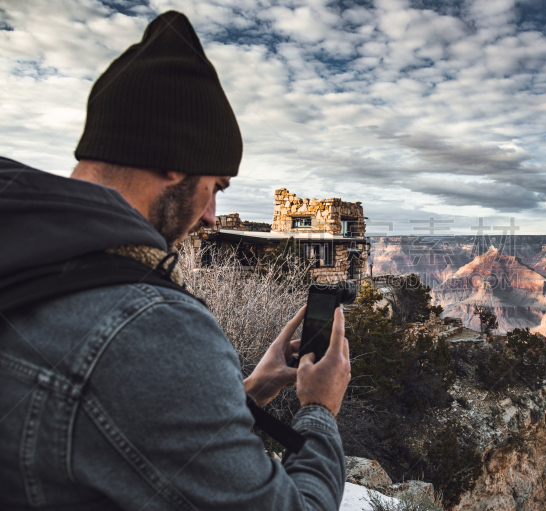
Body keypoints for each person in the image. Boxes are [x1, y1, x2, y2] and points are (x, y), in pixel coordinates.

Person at [0, 11, 350, 511]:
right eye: (215, 188)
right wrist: (320, 409)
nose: (211, 215)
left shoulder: (28, 246)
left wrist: (253, 388)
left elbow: (116, 423)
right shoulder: (148, 325)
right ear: (175, 158)